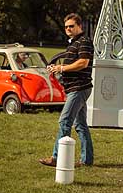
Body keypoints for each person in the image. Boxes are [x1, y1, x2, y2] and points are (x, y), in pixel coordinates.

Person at [40, 13, 95, 167]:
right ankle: (87, 160)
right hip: (75, 88)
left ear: (79, 26)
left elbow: (83, 63)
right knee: (80, 125)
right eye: (66, 27)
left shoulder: (84, 41)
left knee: (65, 121)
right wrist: (56, 69)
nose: (68, 29)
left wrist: (61, 67)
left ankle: (57, 158)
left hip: (79, 88)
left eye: (72, 26)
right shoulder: (73, 43)